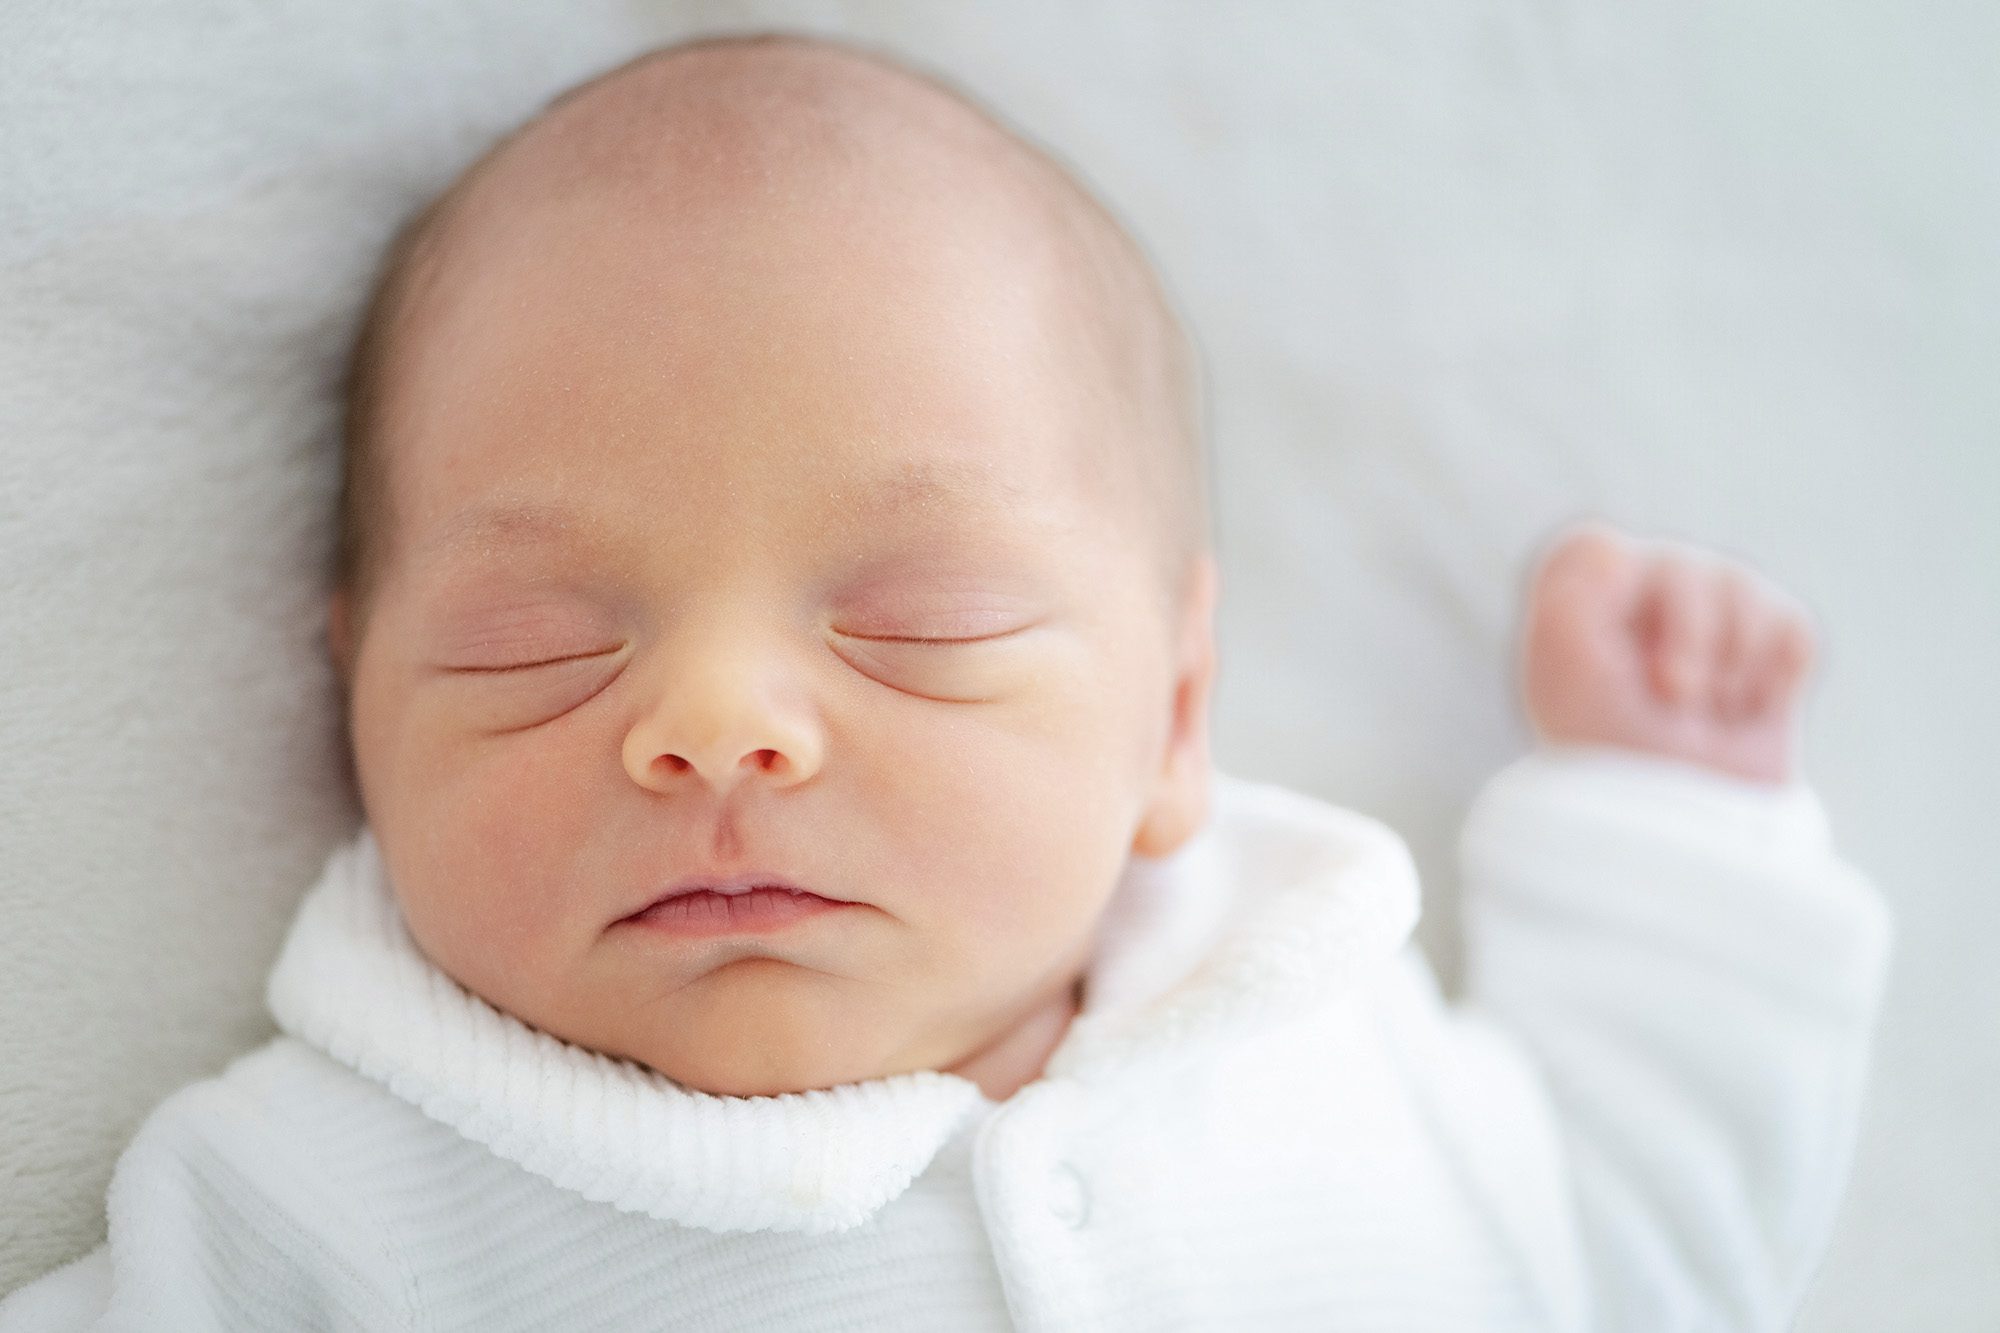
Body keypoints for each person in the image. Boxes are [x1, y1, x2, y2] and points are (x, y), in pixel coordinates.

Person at [0, 32, 1890, 1331]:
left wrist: (1668, 833)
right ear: (358, 713)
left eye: (924, 620)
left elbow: (1637, 1242)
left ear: (1174, 716)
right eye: (537, 648)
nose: (720, 720)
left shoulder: (1322, 1042)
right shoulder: (322, 1213)